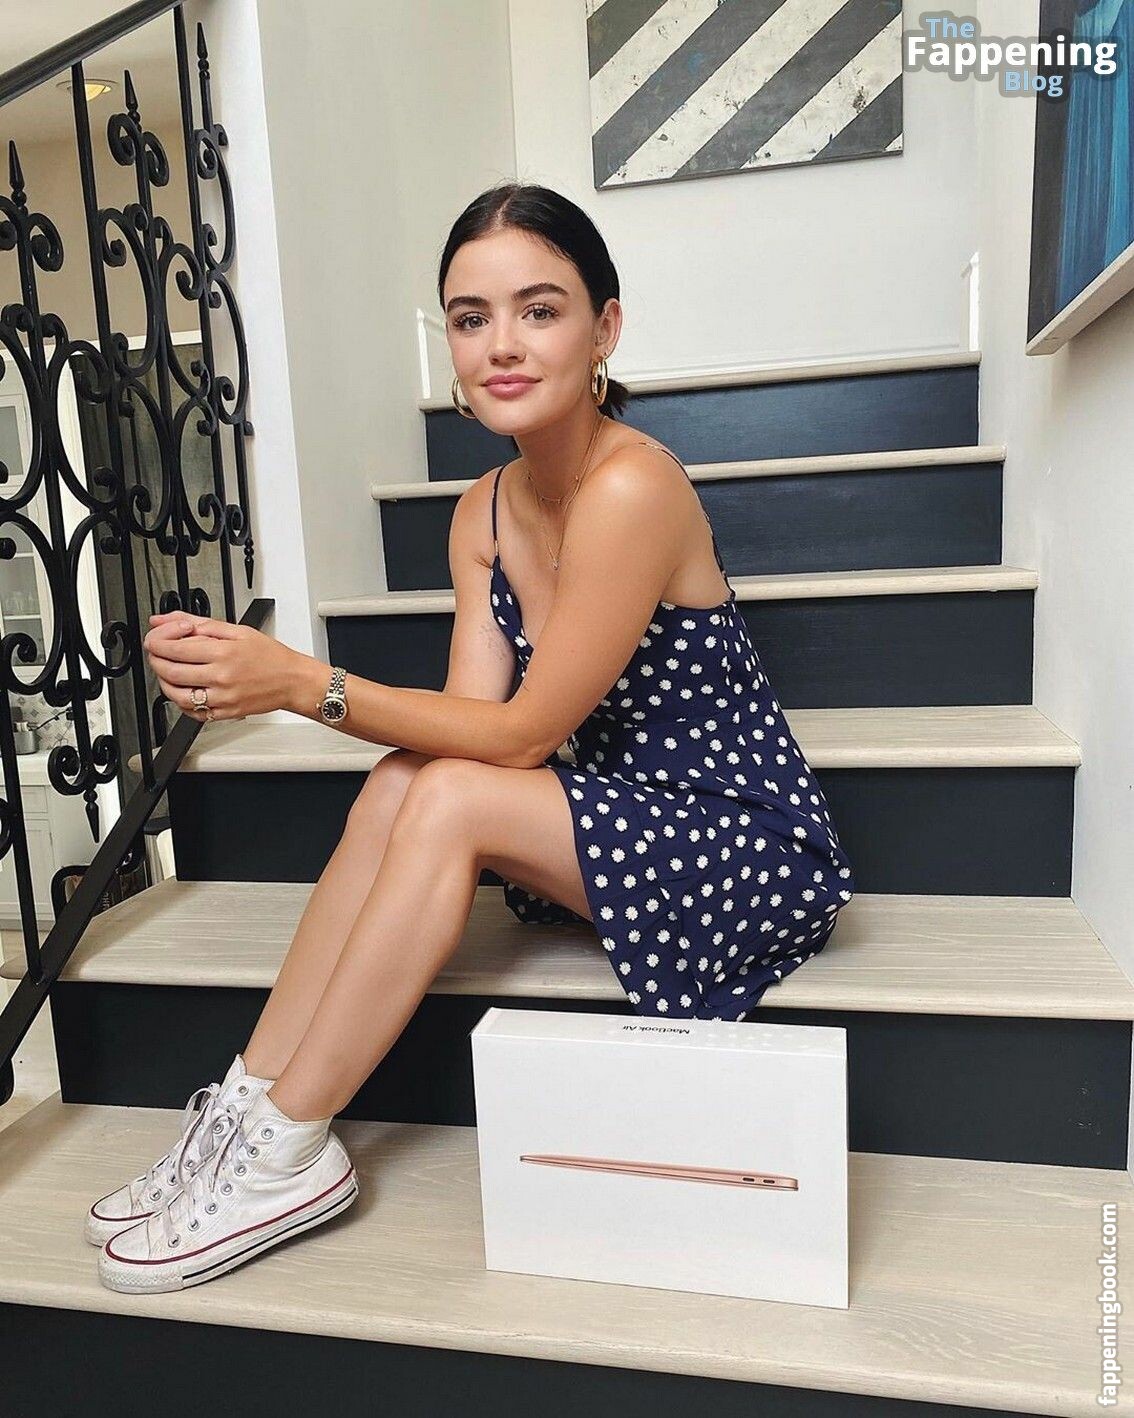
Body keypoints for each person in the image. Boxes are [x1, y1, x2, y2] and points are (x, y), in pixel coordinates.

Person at [91, 182, 856, 1293]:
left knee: (445, 793)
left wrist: (303, 684)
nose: (501, 344)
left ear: (605, 328)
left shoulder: (634, 487)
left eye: (539, 310)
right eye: (470, 317)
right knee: (409, 778)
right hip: (604, 822)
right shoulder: (482, 511)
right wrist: (303, 689)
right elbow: (466, 732)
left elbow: (524, 735)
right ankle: (247, 1107)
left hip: (740, 846)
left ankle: (291, 1148)